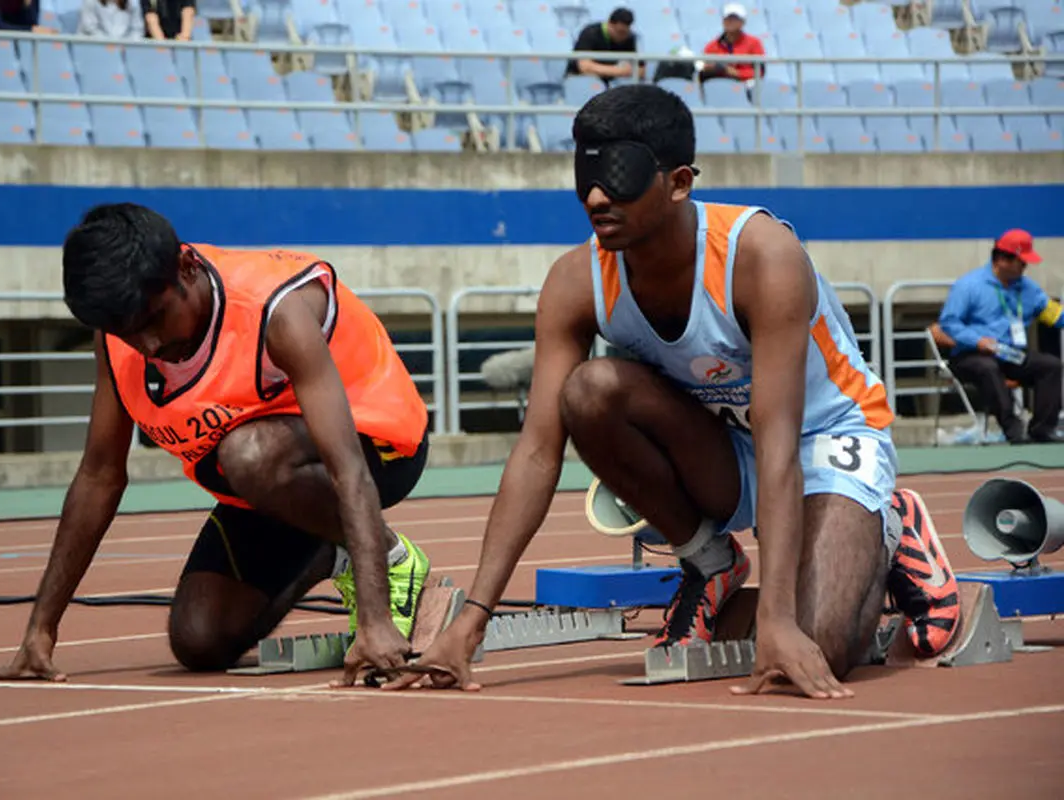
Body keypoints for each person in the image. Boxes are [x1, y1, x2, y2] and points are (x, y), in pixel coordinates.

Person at [386, 85, 961, 700]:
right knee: (588, 392)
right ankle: (710, 562)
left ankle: (889, 524)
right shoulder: (576, 281)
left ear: (679, 182)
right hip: (720, 445)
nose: (597, 196)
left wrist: (777, 620)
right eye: (586, 175)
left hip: (820, 437)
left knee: (817, 643)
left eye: (620, 176)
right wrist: (469, 624)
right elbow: (536, 451)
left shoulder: (762, 257)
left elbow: (778, 441)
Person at [0, 203, 433, 686]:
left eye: (155, 318)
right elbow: (99, 475)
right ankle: (330, 549)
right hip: (267, 475)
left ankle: (393, 557)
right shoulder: (120, 339)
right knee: (199, 639)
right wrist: (40, 632)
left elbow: (347, 468)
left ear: (186, 268)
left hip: (377, 448)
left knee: (248, 454)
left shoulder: (275, 310)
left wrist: (376, 619)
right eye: (128, 333)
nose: (147, 346)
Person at [938, 229, 1063, 444]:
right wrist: (978, 341)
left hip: (1011, 354)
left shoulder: (1028, 288)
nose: (1025, 268)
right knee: (987, 368)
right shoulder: (969, 285)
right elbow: (949, 323)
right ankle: (1013, 429)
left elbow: (1052, 313)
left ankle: (1042, 429)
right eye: (1021, 262)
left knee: (1050, 366)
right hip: (971, 354)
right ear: (1002, 259)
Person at [565, 8, 644, 84]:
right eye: (620, 32)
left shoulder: (628, 37)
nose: (622, 36)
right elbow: (585, 68)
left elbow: (641, 70)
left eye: (626, 33)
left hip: (609, 83)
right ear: (610, 24)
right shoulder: (590, 33)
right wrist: (622, 71)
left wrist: (600, 69)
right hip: (580, 80)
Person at [699, 3, 765, 85]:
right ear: (723, 21)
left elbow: (760, 72)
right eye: (728, 18)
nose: (730, 21)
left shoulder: (754, 43)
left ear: (743, 22)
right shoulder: (712, 46)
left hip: (747, 86)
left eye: (735, 19)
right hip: (719, 86)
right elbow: (703, 68)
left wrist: (735, 73)